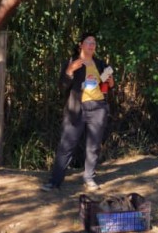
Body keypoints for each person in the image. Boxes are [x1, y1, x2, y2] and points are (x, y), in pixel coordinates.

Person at [42, 33, 114, 192]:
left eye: (94, 42)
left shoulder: (100, 64)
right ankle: (55, 181)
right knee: (66, 145)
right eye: (88, 42)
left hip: (98, 108)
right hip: (76, 108)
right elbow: (62, 87)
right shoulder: (72, 62)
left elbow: (106, 86)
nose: (92, 45)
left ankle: (89, 178)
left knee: (94, 146)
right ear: (80, 45)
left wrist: (111, 82)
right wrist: (69, 71)